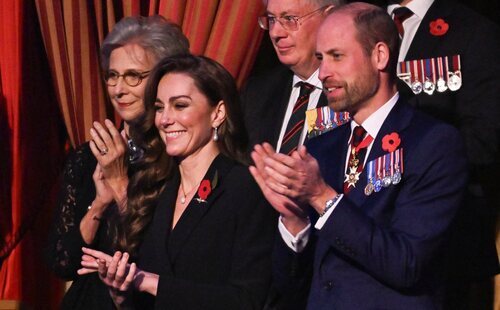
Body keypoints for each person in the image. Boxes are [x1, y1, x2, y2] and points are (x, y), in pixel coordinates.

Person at [250, 2, 468, 309]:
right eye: (320, 58)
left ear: (379, 55)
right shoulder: (320, 148)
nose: (324, 73)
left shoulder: (432, 143)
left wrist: (322, 196)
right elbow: (293, 285)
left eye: (337, 56)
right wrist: (293, 221)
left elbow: (407, 263)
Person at [78, 55, 277, 309]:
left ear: (218, 113)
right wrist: (120, 293)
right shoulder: (155, 187)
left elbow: (248, 300)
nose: (164, 119)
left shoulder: (244, 187)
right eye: (160, 107)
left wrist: (151, 283)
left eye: (180, 105)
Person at [45, 16, 189, 309]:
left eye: (133, 76)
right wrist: (99, 203)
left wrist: (121, 184)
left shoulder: (180, 157)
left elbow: (160, 260)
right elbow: (62, 262)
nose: (118, 89)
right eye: (112, 75)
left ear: (165, 79)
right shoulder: (89, 156)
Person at [386, 0, 500, 307]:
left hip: (442, 238)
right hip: (365, 234)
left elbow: (484, 139)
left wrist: (401, 167)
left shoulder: (472, 31)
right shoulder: (361, 21)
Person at [241, 0, 344, 155]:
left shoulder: (356, 91)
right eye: (271, 19)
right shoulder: (257, 93)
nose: (275, 33)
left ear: (329, 18)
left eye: (289, 19)